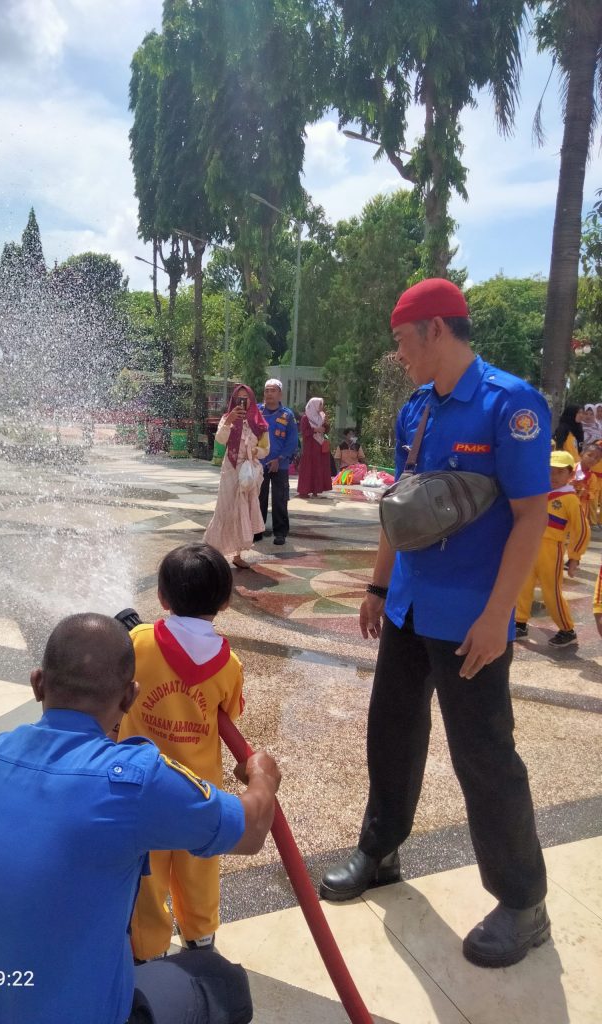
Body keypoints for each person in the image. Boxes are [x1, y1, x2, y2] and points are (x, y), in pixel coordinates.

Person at [320, 278, 552, 970]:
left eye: (401, 342)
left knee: (484, 756)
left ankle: (523, 903)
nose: (399, 357)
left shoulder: (509, 406)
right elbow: (402, 504)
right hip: (410, 606)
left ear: (435, 331)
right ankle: (381, 848)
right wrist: (378, 584)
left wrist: (496, 616)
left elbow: (530, 517)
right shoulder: (416, 410)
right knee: (391, 731)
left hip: (470, 620)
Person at [0, 613, 280, 1024]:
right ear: (130, 697)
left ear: (38, 683)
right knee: (221, 981)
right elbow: (252, 829)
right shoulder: (134, 781)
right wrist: (262, 776)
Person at [117, 543, 244, 962]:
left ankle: (147, 949)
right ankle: (200, 938)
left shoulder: (139, 642)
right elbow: (232, 709)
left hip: (141, 789)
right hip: (199, 793)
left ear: (162, 597)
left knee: (147, 875)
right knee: (199, 868)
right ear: (225, 601)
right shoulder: (229, 665)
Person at [515, 450, 589, 647]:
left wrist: (575, 557)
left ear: (570, 475)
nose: (553, 477)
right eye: (550, 471)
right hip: (529, 545)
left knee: (551, 591)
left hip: (551, 549)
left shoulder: (570, 499)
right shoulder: (538, 493)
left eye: (559, 472)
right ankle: (520, 622)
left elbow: (581, 529)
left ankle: (567, 629)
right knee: (522, 584)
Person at [204, 384, 269, 569]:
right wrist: (230, 420)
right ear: (234, 400)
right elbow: (220, 440)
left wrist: (254, 451)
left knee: (242, 511)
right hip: (230, 470)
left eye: (246, 397)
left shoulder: (260, 422)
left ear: (251, 399)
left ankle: (237, 554)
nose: (243, 400)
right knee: (224, 509)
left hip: (248, 473)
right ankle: (213, 551)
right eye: (239, 397)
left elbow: (266, 449)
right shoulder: (227, 418)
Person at [255, 378, 298, 546]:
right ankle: (257, 530)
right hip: (260, 463)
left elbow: (292, 441)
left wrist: (279, 459)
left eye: (273, 390)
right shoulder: (257, 411)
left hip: (281, 464)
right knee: (259, 497)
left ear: (280, 394)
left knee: (280, 499)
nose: (269, 394)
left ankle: (280, 532)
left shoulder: (287, 415)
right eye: (266, 390)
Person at [297, 397, 333, 498]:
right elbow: (304, 432)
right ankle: (304, 491)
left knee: (318, 467)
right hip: (310, 447)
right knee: (308, 467)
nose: (322, 407)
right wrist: (316, 429)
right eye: (320, 404)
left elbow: (326, 430)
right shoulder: (306, 418)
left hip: (320, 447)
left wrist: (326, 424)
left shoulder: (321, 416)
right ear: (314, 405)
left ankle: (316, 490)